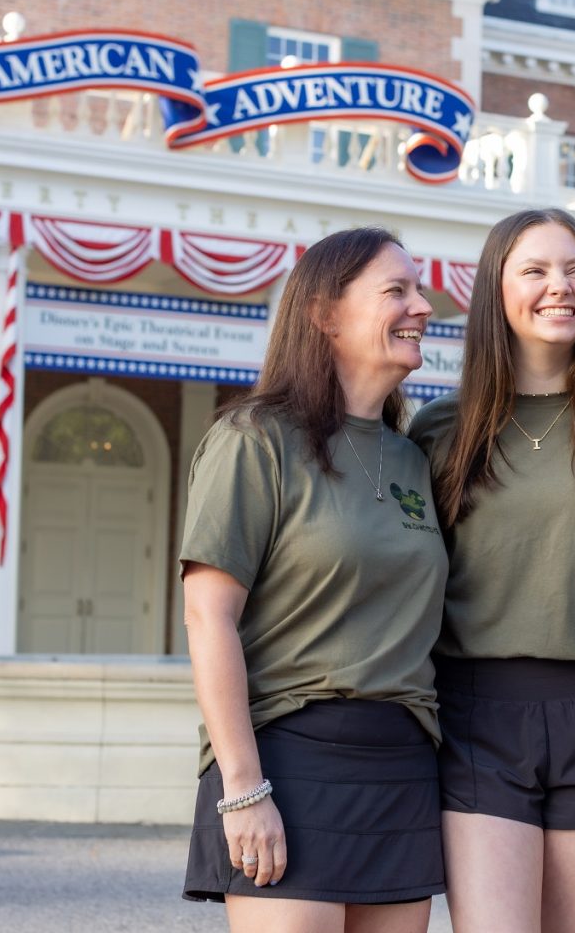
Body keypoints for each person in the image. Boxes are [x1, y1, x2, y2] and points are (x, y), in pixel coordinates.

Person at [180, 227, 450, 933]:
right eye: (397, 290)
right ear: (325, 315)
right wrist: (243, 790)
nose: (423, 306)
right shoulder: (254, 439)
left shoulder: (415, 458)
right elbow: (209, 617)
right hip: (288, 762)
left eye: (419, 290)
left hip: (400, 764)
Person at [409, 209, 575, 933]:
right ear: (497, 290)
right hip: (476, 712)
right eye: (536, 270)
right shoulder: (438, 430)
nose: (561, 286)